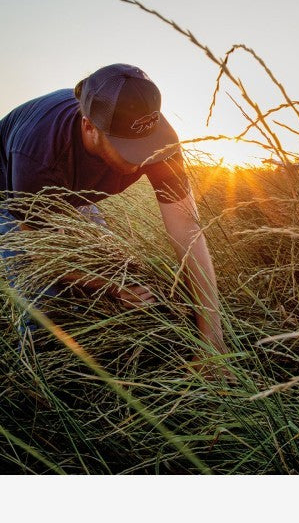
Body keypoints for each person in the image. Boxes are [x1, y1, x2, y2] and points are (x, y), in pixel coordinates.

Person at [0, 63, 226, 364]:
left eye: (147, 145)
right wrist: (112, 285)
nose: (141, 161)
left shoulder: (161, 143)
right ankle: (39, 375)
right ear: (89, 127)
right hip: (11, 195)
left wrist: (213, 345)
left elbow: (188, 233)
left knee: (113, 268)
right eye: (127, 149)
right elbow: (41, 255)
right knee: (45, 303)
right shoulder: (39, 153)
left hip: (74, 194)